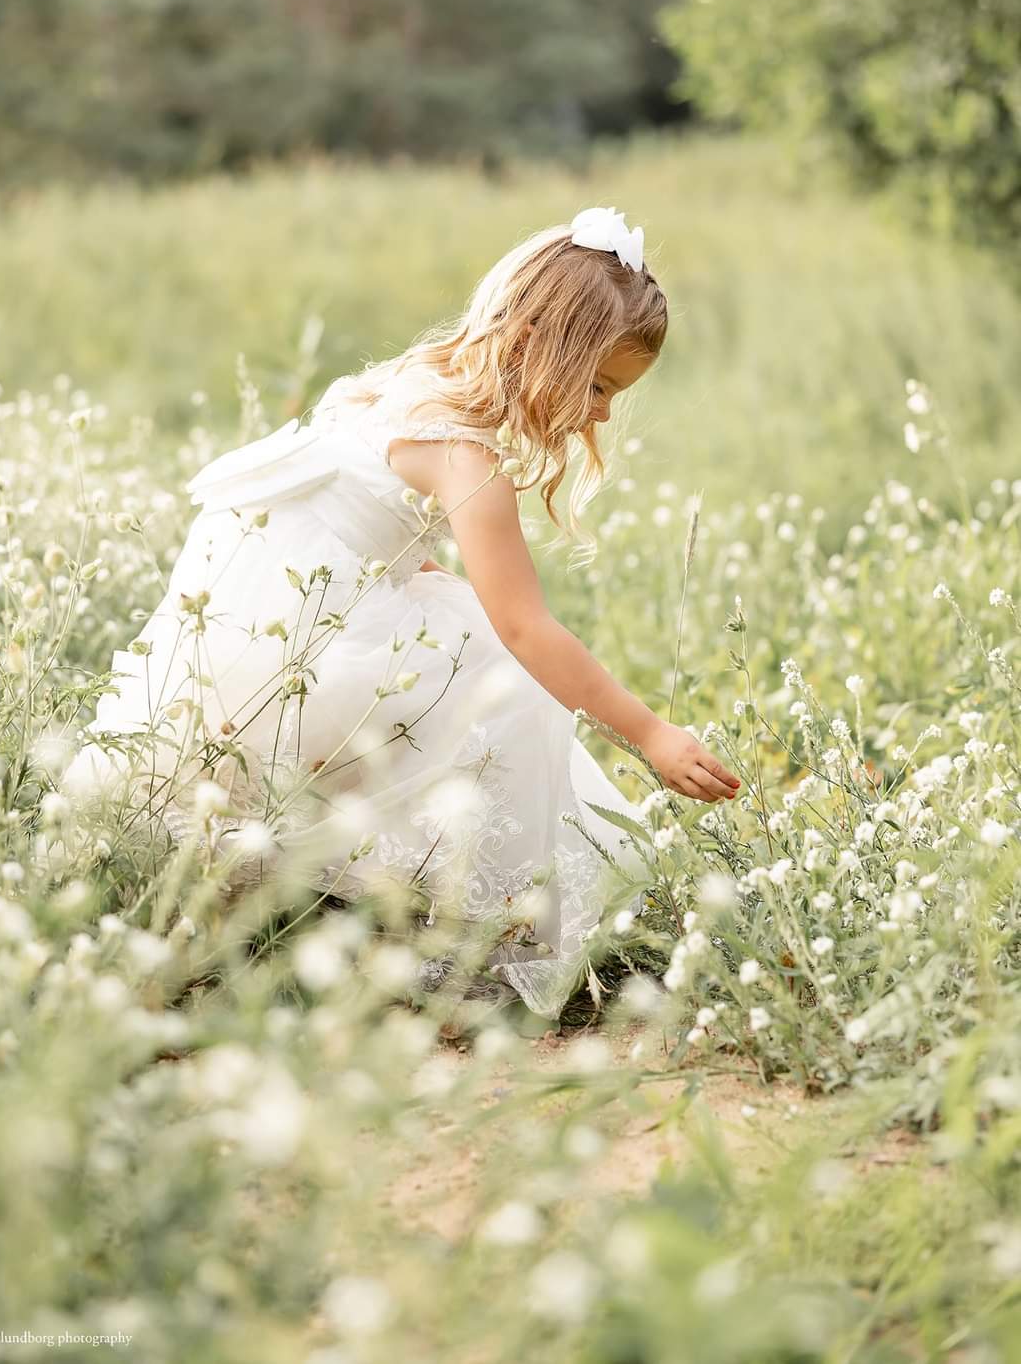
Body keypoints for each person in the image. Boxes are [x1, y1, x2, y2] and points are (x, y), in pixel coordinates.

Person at [61, 206, 739, 1022]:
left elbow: (352, 520)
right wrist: (652, 734)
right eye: (597, 386)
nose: (598, 415)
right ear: (535, 345)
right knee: (505, 679)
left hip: (234, 628)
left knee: (454, 630)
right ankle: (493, 931)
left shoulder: (407, 378)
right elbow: (529, 629)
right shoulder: (467, 457)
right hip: (294, 660)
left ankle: (297, 916)